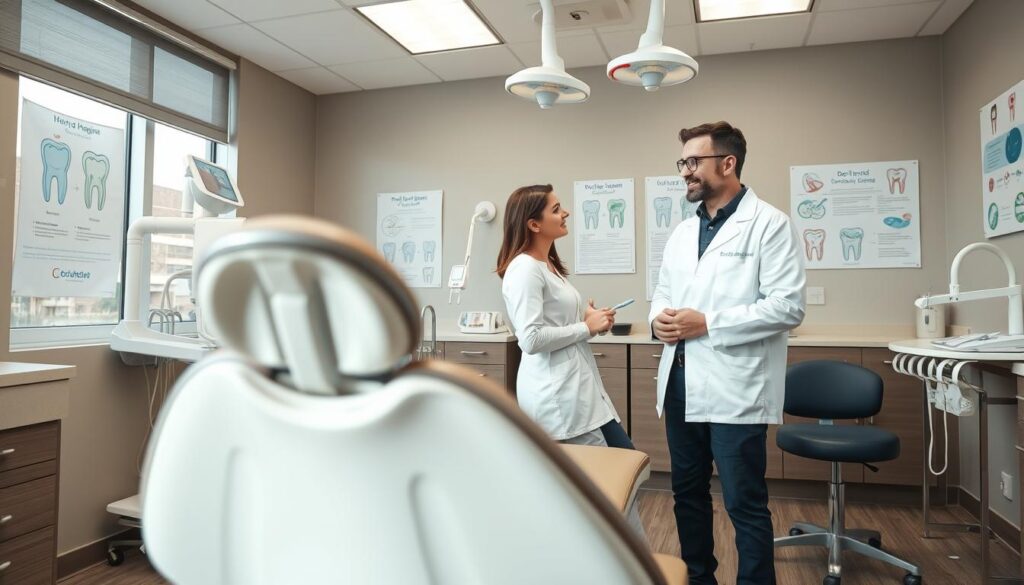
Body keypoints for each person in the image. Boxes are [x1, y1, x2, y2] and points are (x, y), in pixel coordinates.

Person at [649, 122, 806, 585]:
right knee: (687, 494)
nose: (685, 173)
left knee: (743, 501)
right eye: (683, 163)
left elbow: (787, 307)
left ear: (728, 163)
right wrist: (660, 319)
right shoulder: (682, 232)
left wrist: (709, 323)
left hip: (735, 386)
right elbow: (662, 292)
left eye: (693, 162)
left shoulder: (770, 224)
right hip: (679, 381)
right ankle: (699, 577)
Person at [497, 184, 632, 449]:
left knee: (621, 467)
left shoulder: (547, 266)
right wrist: (586, 327)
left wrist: (592, 318)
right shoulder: (524, 269)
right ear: (534, 225)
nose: (566, 213)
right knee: (612, 471)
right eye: (557, 209)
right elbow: (531, 339)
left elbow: (556, 318)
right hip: (556, 399)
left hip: (577, 390)